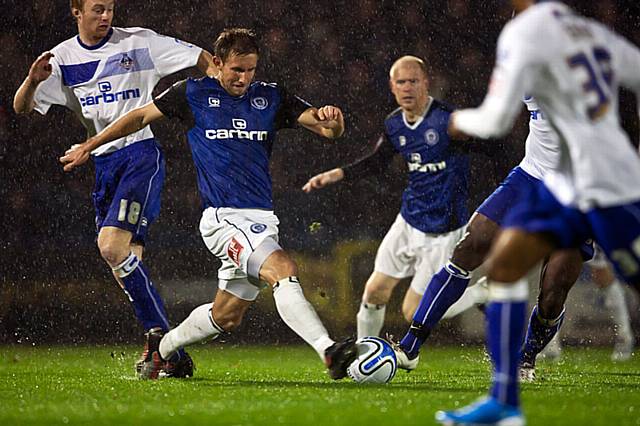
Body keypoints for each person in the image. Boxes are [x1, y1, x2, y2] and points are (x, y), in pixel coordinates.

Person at [60, 28, 358, 380]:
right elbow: (139, 117)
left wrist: (334, 123)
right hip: (223, 219)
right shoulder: (193, 93)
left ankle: (164, 350)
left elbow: (326, 131)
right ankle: (328, 350)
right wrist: (90, 143)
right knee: (283, 268)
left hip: (261, 219)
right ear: (216, 63)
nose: (243, 78)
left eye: (250, 70)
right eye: (236, 70)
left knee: (226, 316)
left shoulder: (272, 97)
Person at [436, 1, 640, 424]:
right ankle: (505, 401)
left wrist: (458, 121)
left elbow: (493, 121)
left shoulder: (525, 34)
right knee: (507, 266)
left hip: (605, 185)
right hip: (563, 184)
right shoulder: (586, 31)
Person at [13, 0, 215, 378]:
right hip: (103, 166)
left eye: (110, 9)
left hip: (139, 156)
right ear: (77, 11)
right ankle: (169, 349)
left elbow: (200, 56)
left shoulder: (140, 43)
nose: (105, 16)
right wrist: (32, 80)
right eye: (97, 9)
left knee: (110, 246)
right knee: (122, 260)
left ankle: (161, 341)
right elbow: (22, 107)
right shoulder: (61, 58)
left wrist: (221, 88)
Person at [302, 55, 486, 340]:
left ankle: (480, 293)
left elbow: (489, 149)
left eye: (414, 81)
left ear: (426, 83)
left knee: (413, 312)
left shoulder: (448, 121)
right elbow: (378, 162)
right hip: (409, 219)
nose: (407, 88)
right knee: (374, 291)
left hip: (443, 230)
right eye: (401, 82)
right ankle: (364, 355)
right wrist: (337, 173)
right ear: (392, 86)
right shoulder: (394, 124)